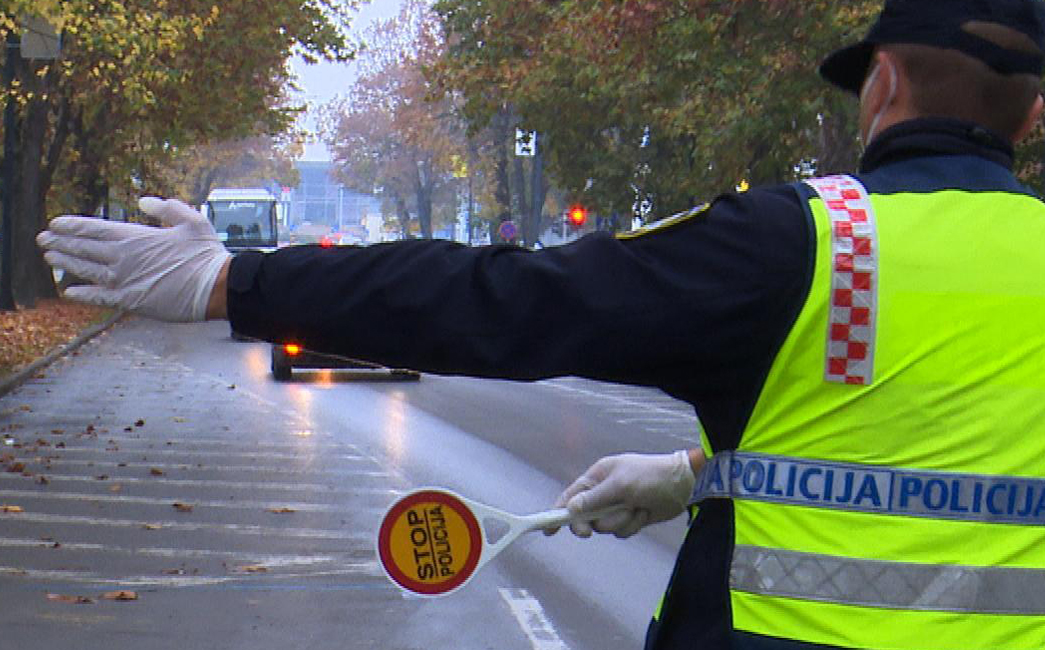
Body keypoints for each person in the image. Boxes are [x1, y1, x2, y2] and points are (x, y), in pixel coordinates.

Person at [34, 0, 1045, 647]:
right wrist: (702, 475)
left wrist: (234, 281)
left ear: (882, 84)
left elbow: (501, 301)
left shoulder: (809, 244)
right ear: (1029, 117)